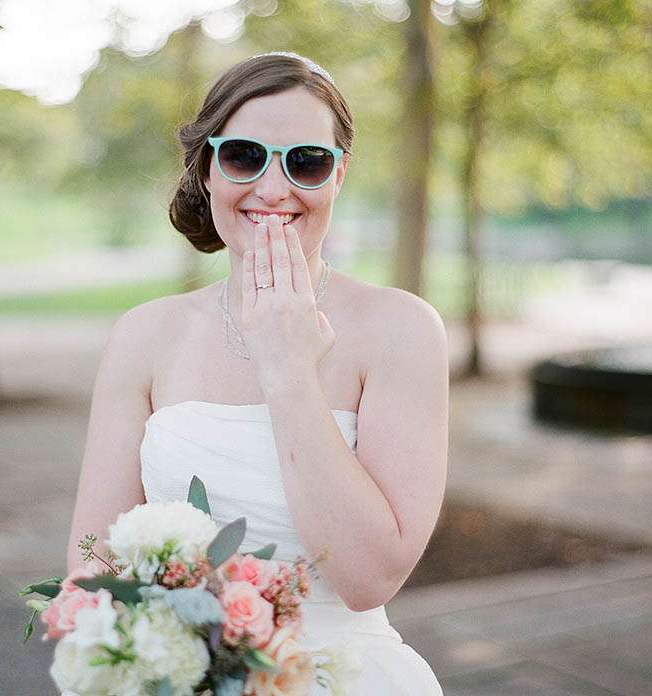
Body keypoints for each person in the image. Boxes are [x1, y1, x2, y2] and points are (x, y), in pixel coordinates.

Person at [68, 51, 448, 694]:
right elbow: (92, 570)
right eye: (244, 155)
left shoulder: (401, 331)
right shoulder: (143, 336)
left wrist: (288, 370)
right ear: (209, 169)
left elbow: (367, 579)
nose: (274, 188)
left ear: (338, 175)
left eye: (305, 160)